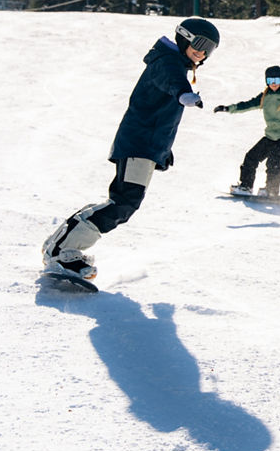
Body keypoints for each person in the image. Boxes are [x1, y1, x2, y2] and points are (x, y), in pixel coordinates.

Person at [42, 18, 220, 281]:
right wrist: (184, 94)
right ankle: (62, 250)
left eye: (210, 49)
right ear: (185, 36)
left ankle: (63, 245)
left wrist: (163, 149)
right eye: (201, 44)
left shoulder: (172, 62)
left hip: (146, 145)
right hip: (139, 142)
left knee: (122, 202)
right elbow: (172, 82)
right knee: (124, 203)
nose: (203, 52)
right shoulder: (168, 62)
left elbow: (159, 110)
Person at [214, 65, 280, 197]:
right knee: (251, 157)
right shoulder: (265, 96)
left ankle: (271, 190)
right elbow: (247, 105)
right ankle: (246, 187)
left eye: (276, 80)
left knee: (273, 160)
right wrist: (228, 108)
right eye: (270, 81)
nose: (274, 84)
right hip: (271, 135)